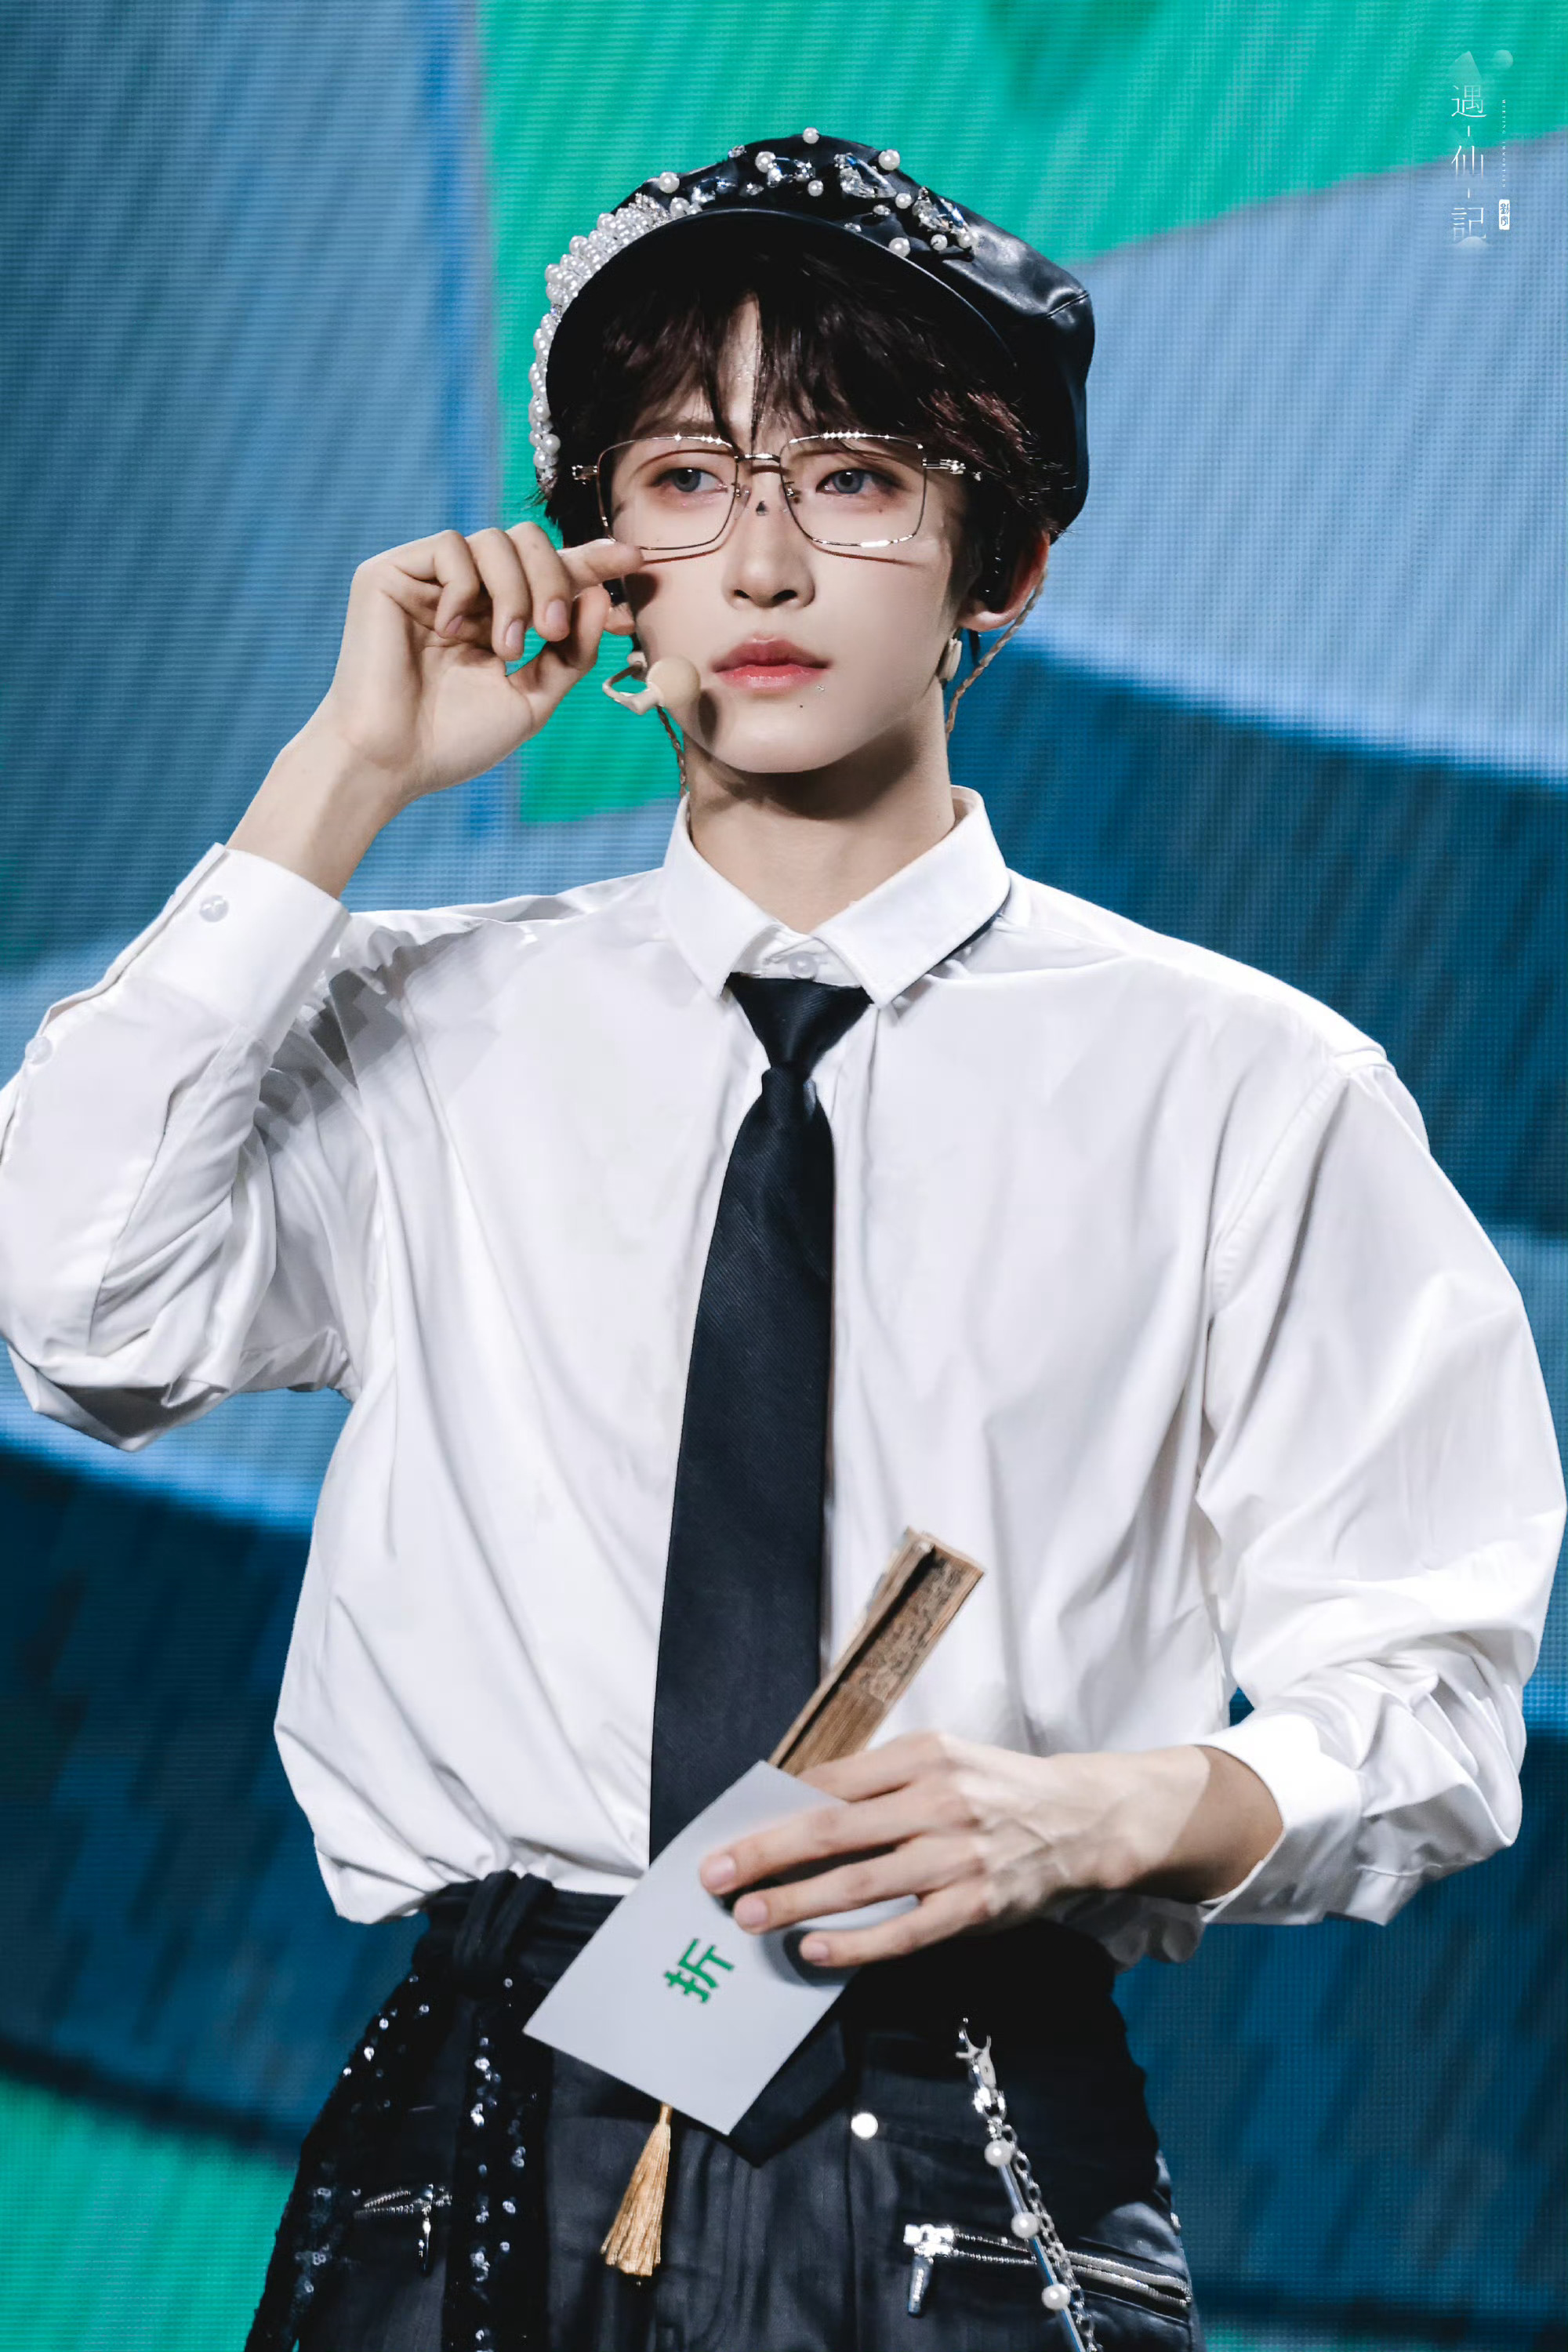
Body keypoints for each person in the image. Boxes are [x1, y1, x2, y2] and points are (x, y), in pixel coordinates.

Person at [0, 130, 1559, 2352]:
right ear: (598, 557)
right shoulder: (424, 1024)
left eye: (851, 481)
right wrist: (341, 781)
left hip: (969, 2109)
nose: (760, 559)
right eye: (682, 480)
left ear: (1003, 559)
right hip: (480, 2107)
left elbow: (1429, 1697)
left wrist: (1103, 1811)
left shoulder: (1246, 1083)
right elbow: (74, 1311)